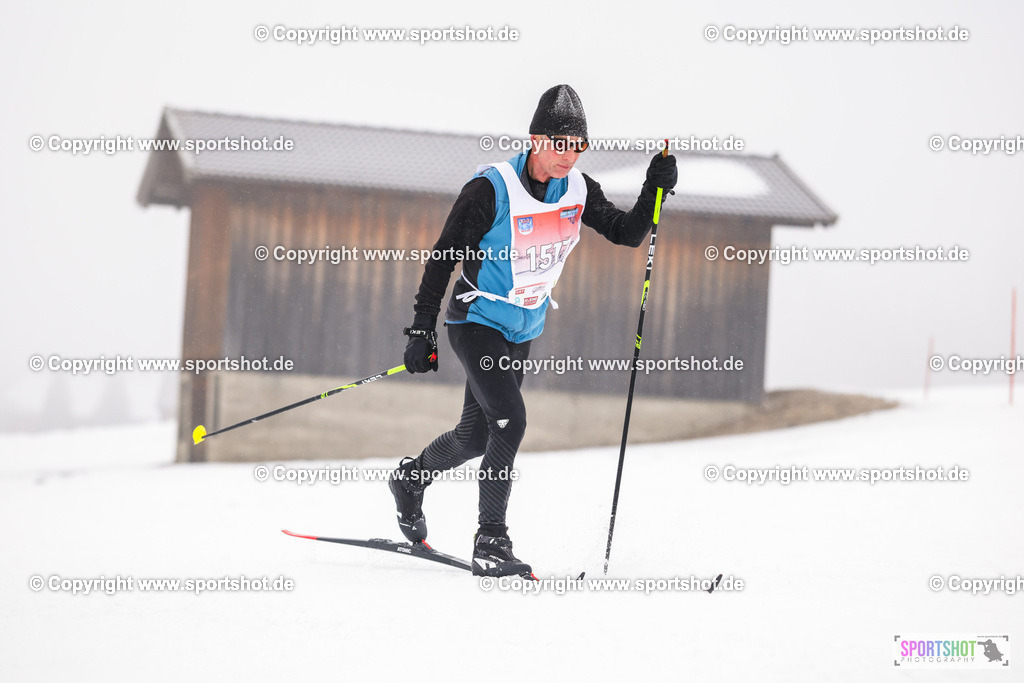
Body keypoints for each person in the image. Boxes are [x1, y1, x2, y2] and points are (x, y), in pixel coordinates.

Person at [389, 84, 677, 577]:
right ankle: (492, 539)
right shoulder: (491, 189)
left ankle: (411, 478)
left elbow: (627, 233)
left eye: (578, 146)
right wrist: (422, 329)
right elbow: (443, 258)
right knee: (510, 420)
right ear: (535, 139)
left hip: (521, 328)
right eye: (560, 144)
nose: (569, 156)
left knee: (475, 435)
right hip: (475, 319)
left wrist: (654, 189)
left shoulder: (580, 189)